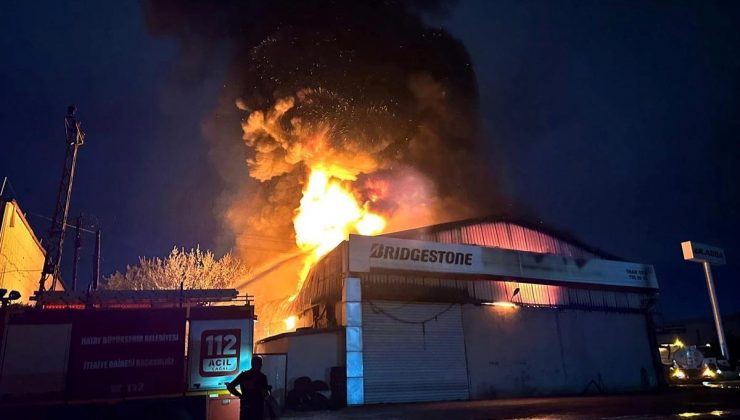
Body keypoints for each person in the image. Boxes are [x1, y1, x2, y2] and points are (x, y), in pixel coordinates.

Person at [227, 356, 270, 420]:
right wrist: (268, 393)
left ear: (251, 363)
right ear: (260, 365)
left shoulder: (243, 375)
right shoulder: (262, 377)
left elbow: (230, 386)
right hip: (258, 409)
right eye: (260, 364)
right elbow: (265, 394)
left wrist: (240, 396)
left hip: (246, 407)